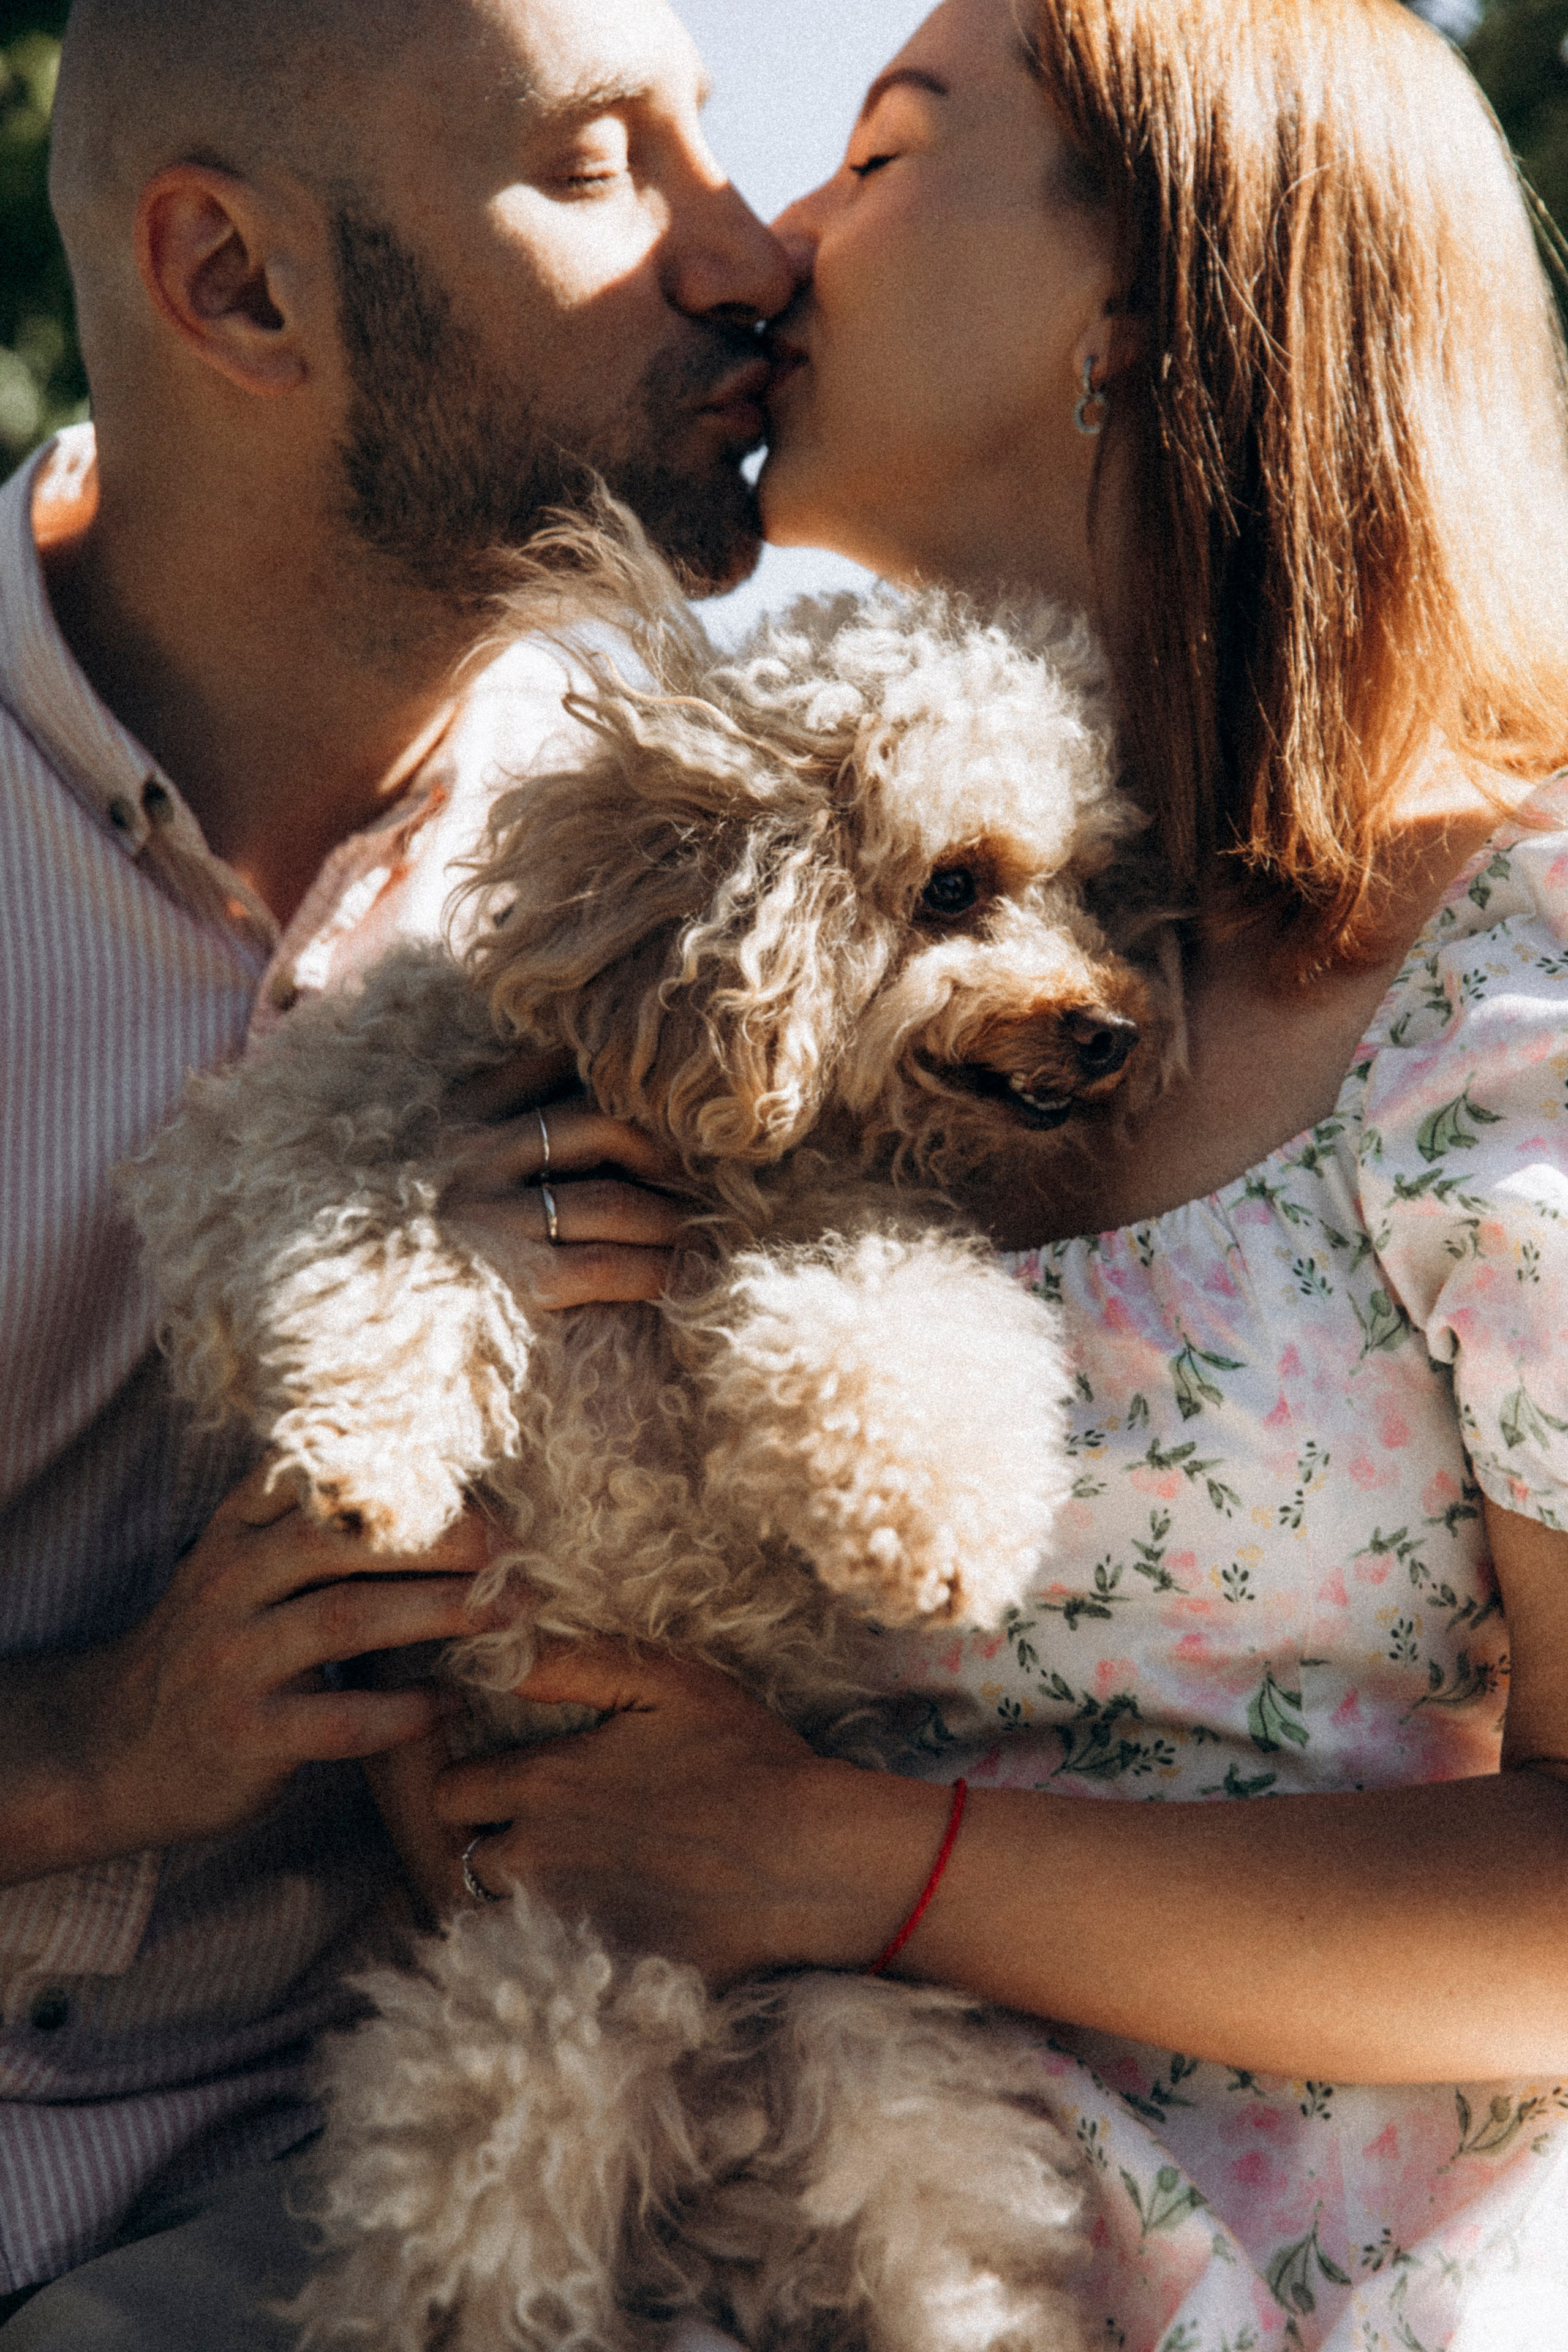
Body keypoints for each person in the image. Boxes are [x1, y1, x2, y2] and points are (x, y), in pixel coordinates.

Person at [381, 1, 1568, 2345]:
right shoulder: (766, 930)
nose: (769, 249)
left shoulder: (1499, 978)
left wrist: (853, 1862)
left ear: (1133, 303)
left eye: (885, 154)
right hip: (674, 2235)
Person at [0, 0, 796, 2340]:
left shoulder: (695, 866)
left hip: (346, 2200)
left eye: (713, 145)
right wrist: (83, 1747)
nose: (750, 254)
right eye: (596, 164)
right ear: (236, 281)